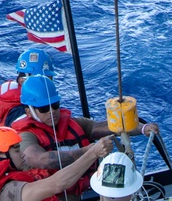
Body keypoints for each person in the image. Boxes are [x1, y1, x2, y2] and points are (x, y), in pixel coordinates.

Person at [14, 74, 160, 192]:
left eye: (55, 105)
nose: (52, 111)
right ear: (29, 111)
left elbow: (109, 127)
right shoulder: (25, 136)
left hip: (91, 190)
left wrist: (141, 128)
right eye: (44, 108)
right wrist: (89, 151)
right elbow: (40, 159)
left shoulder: (75, 124)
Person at [0, 46, 57, 128]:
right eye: (42, 79)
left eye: (48, 79)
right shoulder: (19, 111)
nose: (47, 83)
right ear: (22, 80)